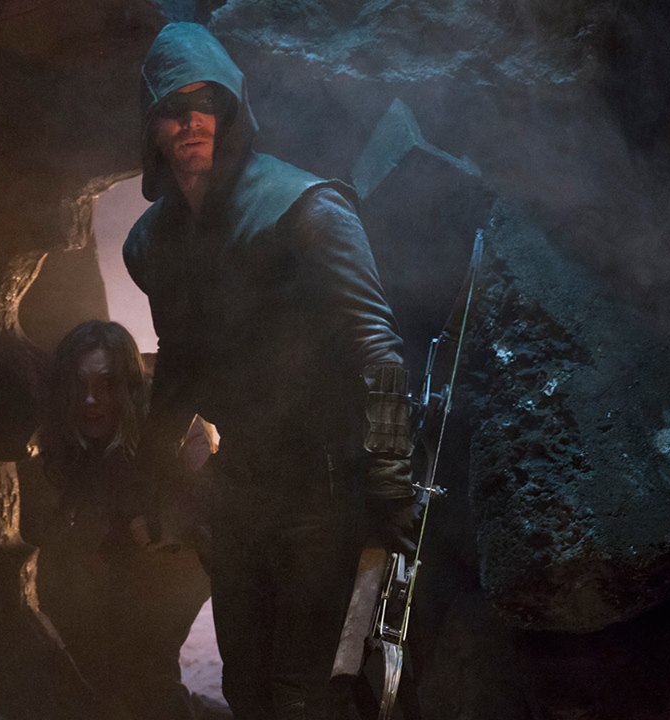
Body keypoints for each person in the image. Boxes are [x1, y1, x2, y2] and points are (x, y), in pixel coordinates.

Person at [123, 22, 421, 720]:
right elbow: (180, 363)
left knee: (301, 695)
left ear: (230, 109)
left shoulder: (308, 209)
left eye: (207, 102)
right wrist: (151, 480)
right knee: (247, 688)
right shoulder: (155, 242)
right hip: (238, 489)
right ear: (152, 125)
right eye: (173, 106)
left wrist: (390, 484)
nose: (191, 120)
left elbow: (377, 348)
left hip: (322, 488)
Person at [34, 319, 210, 720]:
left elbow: (204, 504)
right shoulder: (65, 430)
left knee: (147, 667)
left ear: (128, 386)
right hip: (119, 547)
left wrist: (168, 523)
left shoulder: (171, 420)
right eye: (80, 385)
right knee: (104, 664)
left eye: (106, 384)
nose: (90, 399)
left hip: (180, 556)